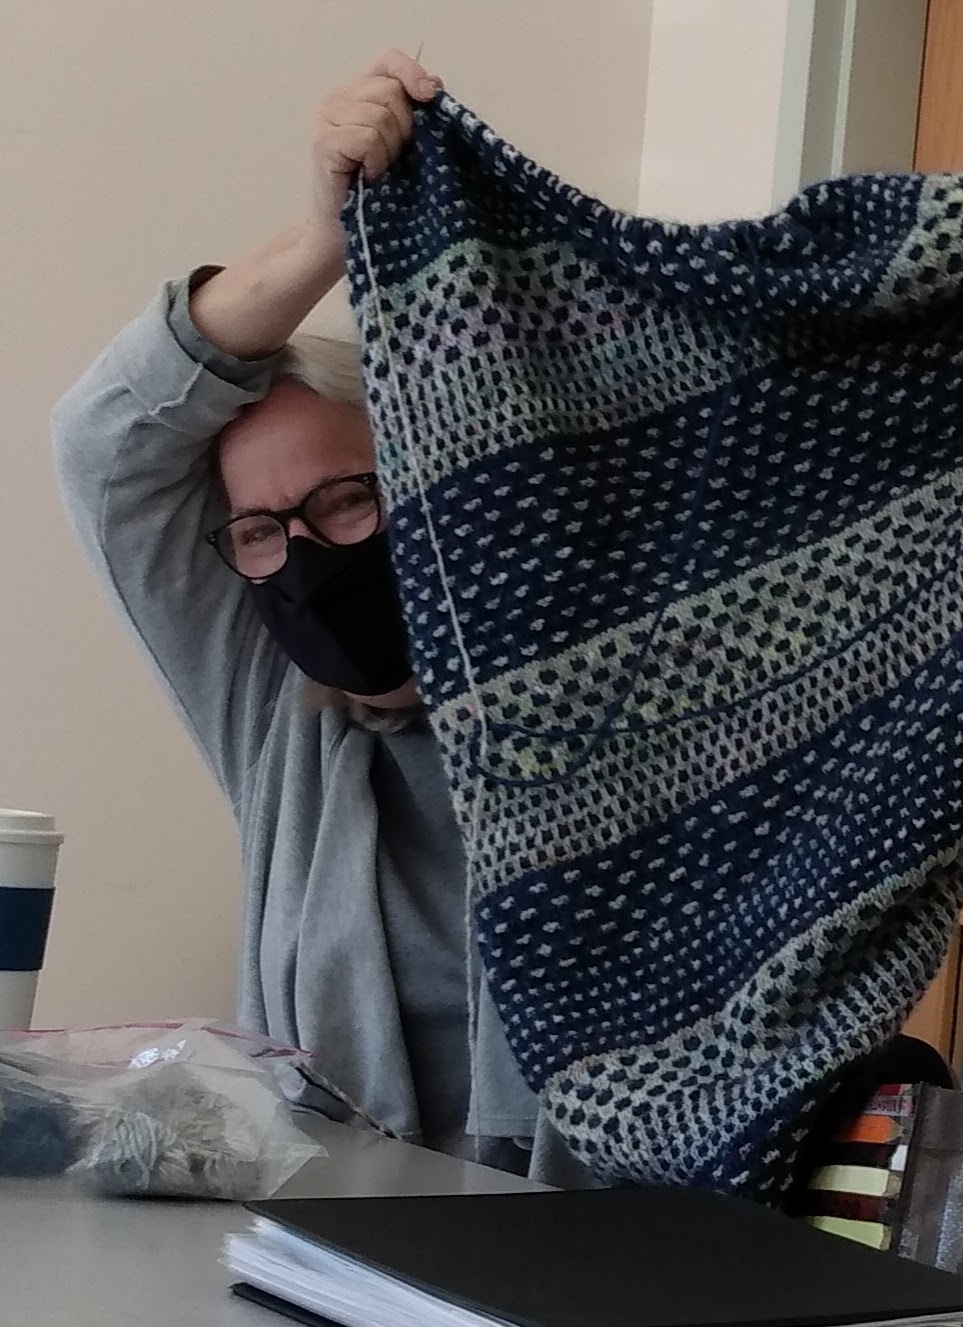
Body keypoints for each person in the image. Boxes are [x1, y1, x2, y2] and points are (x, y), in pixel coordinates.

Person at [51, 51, 591, 1184]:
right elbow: (102, 446)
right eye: (260, 528)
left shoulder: (599, 691)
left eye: (346, 500)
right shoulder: (276, 719)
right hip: (334, 1244)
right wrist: (318, 243)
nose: (302, 557)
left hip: (589, 1251)